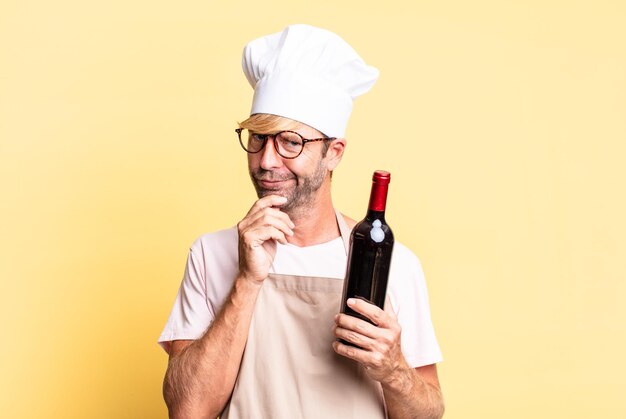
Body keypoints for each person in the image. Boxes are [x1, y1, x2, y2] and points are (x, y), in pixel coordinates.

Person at [158, 24, 444, 419]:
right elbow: (187, 411)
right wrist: (246, 280)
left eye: (290, 141)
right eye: (258, 139)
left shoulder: (394, 265)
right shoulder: (210, 255)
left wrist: (394, 370)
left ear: (334, 153)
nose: (267, 160)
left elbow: (428, 412)